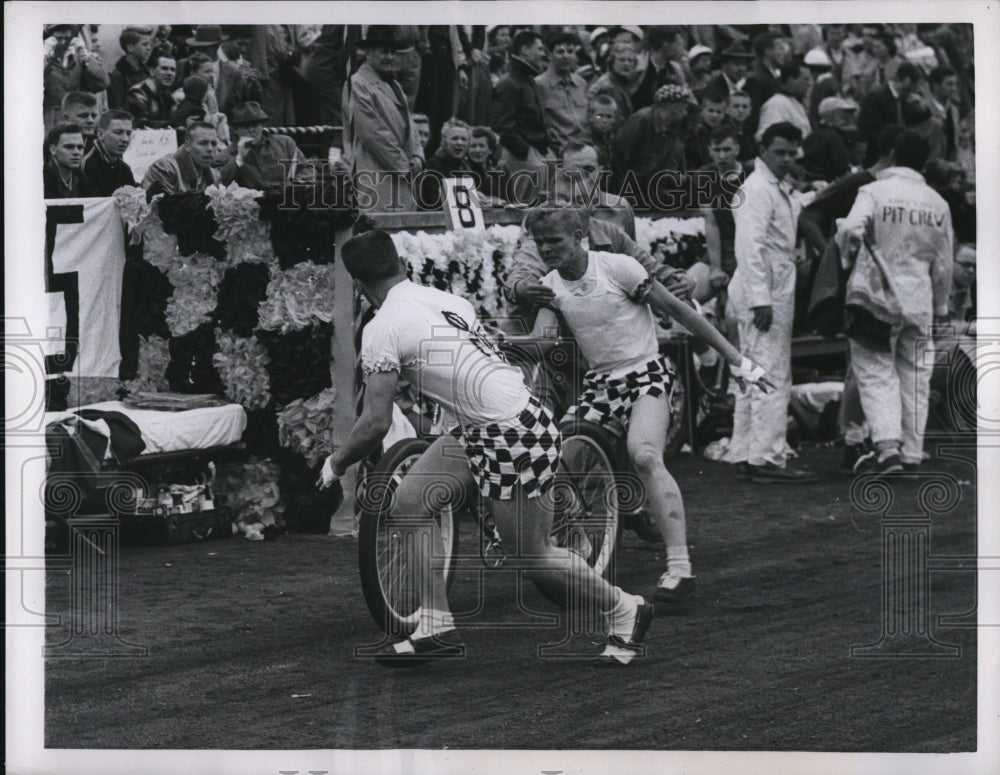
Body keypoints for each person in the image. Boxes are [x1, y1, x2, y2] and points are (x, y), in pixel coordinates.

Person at [319, 229, 656, 668]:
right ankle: (436, 624)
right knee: (409, 503)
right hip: (490, 425)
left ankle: (625, 609)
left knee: (532, 555)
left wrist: (336, 461)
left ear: (358, 285)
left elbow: (375, 423)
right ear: (400, 263)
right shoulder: (446, 299)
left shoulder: (383, 327)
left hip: (510, 432)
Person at [516, 208, 773, 605]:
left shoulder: (619, 268)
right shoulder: (549, 286)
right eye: (540, 243)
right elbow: (543, 340)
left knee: (645, 454)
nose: (547, 249)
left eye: (556, 241)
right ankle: (579, 545)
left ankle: (680, 566)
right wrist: (496, 343)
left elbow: (680, 311)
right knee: (557, 463)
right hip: (599, 386)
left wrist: (738, 361)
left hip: (645, 375)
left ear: (580, 235)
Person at [837, 130, 953, 474]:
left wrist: (848, 253)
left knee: (875, 369)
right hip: (919, 296)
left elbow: (851, 229)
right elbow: (943, 265)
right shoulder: (938, 203)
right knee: (915, 376)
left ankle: (887, 446)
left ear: (891, 155)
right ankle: (912, 452)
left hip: (877, 295)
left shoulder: (873, 191)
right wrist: (942, 307)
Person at [725, 121, 817, 482]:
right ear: (762, 150)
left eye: (792, 153)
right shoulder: (758, 189)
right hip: (763, 286)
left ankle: (748, 450)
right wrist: (760, 299)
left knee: (754, 370)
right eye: (779, 152)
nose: (786, 159)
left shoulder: (772, 188)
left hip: (768, 282)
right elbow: (749, 247)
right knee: (770, 369)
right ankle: (765, 456)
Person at [342, 27, 425, 212]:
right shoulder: (357, 84)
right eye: (384, 52)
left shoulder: (394, 83)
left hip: (403, 178)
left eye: (393, 52)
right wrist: (404, 167)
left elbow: (410, 124)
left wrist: (418, 155)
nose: (390, 57)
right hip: (376, 176)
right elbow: (373, 134)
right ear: (368, 53)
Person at [489, 30, 552, 203]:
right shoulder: (509, 83)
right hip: (521, 158)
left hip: (533, 154)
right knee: (523, 210)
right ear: (525, 50)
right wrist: (526, 153)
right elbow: (503, 126)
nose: (543, 54)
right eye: (539, 49)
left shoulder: (528, 81)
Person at [611, 83, 696, 211]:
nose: (685, 114)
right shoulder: (642, 120)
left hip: (657, 189)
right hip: (635, 191)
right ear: (674, 108)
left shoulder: (674, 127)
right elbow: (618, 156)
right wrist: (625, 191)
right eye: (684, 109)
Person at [219, 101, 308, 189]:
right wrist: (239, 159)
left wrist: (295, 186)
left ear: (262, 125)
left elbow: (306, 169)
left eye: (255, 125)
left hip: (286, 198)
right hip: (252, 201)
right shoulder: (225, 156)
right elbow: (219, 183)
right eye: (245, 126)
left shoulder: (284, 143)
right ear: (236, 130)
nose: (251, 130)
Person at [534, 31, 590, 157]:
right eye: (560, 52)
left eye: (570, 51)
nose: (566, 56)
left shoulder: (581, 83)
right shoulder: (539, 85)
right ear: (549, 55)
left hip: (584, 149)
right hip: (557, 152)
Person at [857, 61, 924, 165]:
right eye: (914, 83)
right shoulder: (875, 97)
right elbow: (868, 130)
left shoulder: (905, 98)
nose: (916, 89)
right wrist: (892, 146)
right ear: (905, 80)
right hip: (879, 156)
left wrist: (920, 108)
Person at [43, 24, 109, 130]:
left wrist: (86, 57)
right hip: (51, 121)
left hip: (78, 120)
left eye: (67, 38)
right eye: (59, 38)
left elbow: (102, 83)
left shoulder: (78, 59)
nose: (63, 43)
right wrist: (44, 54)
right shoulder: (42, 60)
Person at [142, 121, 221, 194]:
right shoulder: (164, 169)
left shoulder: (215, 176)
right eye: (203, 143)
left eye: (214, 144)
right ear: (187, 146)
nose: (210, 149)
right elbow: (159, 207)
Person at [799, 96, 861, 182]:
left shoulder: (814, 136)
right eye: (844, 114)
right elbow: (843, 168)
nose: (848, 118)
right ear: (836, 116)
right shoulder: (833, 137)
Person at [419, 118, 477, 210]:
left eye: (464, 139)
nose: (459, 143)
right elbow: (432, 202)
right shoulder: (432, 166)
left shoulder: (466, 167)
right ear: (444, 141)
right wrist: (472, 198)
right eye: (455, 138)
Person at [81, 110, 138, 196]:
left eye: (129, 133)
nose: (125, 139)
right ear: (100, 134)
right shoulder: (87, 162)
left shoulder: (124, 168)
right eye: (118, 132)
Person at [632, 26, 689, 111]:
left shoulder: (675, 70)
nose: (682, 50)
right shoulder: (637, 65)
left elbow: (686, 97)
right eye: (678, 44)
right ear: (665, 45)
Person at [755, 61, 813, 143]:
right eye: (805, 79)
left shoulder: (795, 103)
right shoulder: (775, 104)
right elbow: (765, 138)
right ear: (791, 79)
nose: (809, 83)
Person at [128, 50, 179, 129]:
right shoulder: (138, 92)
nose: (169, 73)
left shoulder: (168, 95)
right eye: (164, 68)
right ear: (152, 71)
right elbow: (142, 124)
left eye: (173, 70)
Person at [107, 27, 154, 110]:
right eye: (144, 44)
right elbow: (118, 107)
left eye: (149, 44)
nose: (149, 48)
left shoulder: (146, 72)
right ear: (130, 48)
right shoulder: (118, 75)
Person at [685, 88, 730, 169]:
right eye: (711, 111)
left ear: (724, 114)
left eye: (718, 112)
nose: (714, 115)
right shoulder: (694, 135)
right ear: (702, 111)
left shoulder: (727, 134)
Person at [43, 123, 87, 199]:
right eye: (69, 147)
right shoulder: (40, 179)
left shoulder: (80, 177)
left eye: (80, 147)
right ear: (53, 150)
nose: (76, 152)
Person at [927, 66, 962, 161]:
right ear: (935, 85)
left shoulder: (954, 110)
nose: (954, 88)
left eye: (955, 84)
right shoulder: (924, 110)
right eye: (949, 84)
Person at [581, 94, 621, 171]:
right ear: (590, 117)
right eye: (599, 116)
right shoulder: (584, 142)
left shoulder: (613, 140)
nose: (604, 121)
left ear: (614, 119)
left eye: (609, 117)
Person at [725, 90, 757, 162]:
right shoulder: (723, 132)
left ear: (750, 110)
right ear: (727, 109)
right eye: (736, 106)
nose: (740, 110)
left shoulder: (748, 132)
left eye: (745, 107)